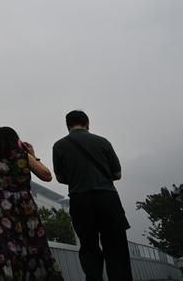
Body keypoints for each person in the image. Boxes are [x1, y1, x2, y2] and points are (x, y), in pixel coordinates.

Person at [53, 110, 132, 281]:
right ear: (88, 123)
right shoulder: (103, 142)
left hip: (79, 200)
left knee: (89, 246)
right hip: (107, 198)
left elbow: (60, 178)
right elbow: (117, 174)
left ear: (67, 126)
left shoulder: (59, 146)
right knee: (116, 247)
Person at [0, 127, 63, 280]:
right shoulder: (24, 157)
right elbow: (47, 176)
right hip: (25, 207)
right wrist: (33, 156)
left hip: (0, 209)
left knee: (4, 248)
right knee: (33, 245)